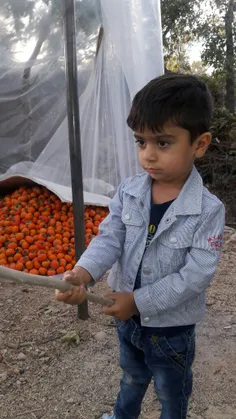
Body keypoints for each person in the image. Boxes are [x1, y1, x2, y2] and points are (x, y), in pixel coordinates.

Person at [56, 73, 225, 419]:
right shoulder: (129, 191)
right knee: (132, 377)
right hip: (129, 323)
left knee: (170, 391)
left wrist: (138, 300)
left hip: (172, 329)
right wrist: (83, 273)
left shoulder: (209, 211)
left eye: (162, 143)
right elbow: (109, 237)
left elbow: (196, 276)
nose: (148, 155)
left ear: (200, 144)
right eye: (141, 142)